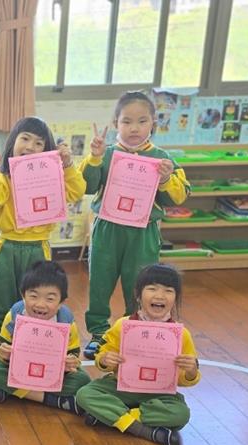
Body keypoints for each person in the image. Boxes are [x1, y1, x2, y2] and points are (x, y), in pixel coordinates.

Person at [81, 91, 191, 359]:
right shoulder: (107, 154)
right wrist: (94, 157)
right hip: (108, 228)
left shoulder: (163, 158)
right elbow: (87, 185)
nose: (134, 128)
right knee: (100, 281)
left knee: (139, 283)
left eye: (142, 121)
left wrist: (165, 179)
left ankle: (133, 331)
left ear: (153, 123)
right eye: (127, 121)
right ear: (116, 123)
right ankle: (99, 333)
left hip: (143, 232)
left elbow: (179, 196)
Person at [0, 116, 85, 335]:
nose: (30, 147)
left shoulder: (52, 176)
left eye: (39, 143)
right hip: (7, 245)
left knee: (38, 296)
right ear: (13, 142)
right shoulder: (4, 175)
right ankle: (2, 341)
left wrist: (68, 165)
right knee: (0, 295)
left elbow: (75, 192)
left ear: (46, 149)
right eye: (25, 139)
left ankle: (31, 340)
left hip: (38, 246)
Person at [75, 264, 200, 445]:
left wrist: (191, 372)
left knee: (181, 414)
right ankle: (147, 431)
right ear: (138, 295)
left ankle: (112, 417)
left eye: (168, 290)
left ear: (175, 298)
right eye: (152, 289)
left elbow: (182, 378)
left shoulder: (181, 335)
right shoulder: (123, 325)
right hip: (120, 387)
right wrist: (105, 360)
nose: (160, 296)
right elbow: (102, 353)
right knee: (84, 394)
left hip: (159, 394)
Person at [0, 261, 90, 412]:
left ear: (61, 302)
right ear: (23, 295)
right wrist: (4, 355)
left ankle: (13, 391)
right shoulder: (14, 315)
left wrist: (69, 364)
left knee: (82, 380)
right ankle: (56, 401)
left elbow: (74, 355)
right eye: (33, 296)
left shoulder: (66, 321)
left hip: (51, 374)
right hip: (19, 370)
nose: (40, 304)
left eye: (50, 299)